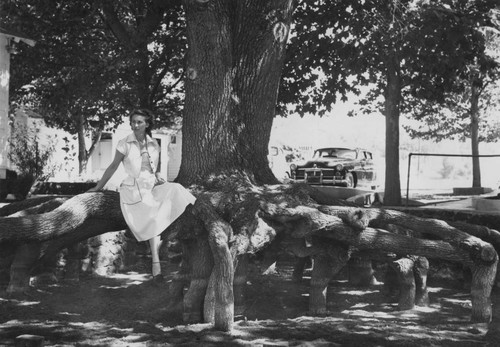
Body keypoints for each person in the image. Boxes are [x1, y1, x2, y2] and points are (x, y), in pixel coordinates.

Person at [88, 108, 196, 281]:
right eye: (133, 122)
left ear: (147, 124)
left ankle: (171, 251)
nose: (135, 125)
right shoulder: (125, 143)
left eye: (139, 122)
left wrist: (159, 176)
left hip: (151, 185)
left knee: (177, 190)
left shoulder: (154, 144)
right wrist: (98, 186)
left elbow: (154, 169)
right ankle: (156, 263)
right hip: (132, 188)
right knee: (151, 213)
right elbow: (113, 166)